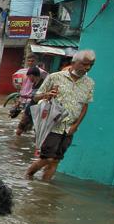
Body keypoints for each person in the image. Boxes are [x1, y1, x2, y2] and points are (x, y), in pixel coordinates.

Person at [25, 50, 96, 181]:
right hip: (51, 125)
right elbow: (35, 97)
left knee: (56, 160)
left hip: (69, 128)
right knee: (47, 158)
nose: (88, 68)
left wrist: (76, 125)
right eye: (85, 64)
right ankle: (28, 175)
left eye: (91, 65)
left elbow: (85, 106)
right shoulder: (55, 77)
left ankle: (44, 188)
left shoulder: (89, 83)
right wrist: (46, 95)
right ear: (74, 63)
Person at [13, 56, 47, 136]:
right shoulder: (23, 73)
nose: (30, 62)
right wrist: (19, 99)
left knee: (28, 123)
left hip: (35, 105)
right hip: (28, 102)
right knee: (24, 121)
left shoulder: (42, 77)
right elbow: (20, 86)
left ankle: (20, 138)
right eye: (29, 61)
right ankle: (21, 139)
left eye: (32, 61)